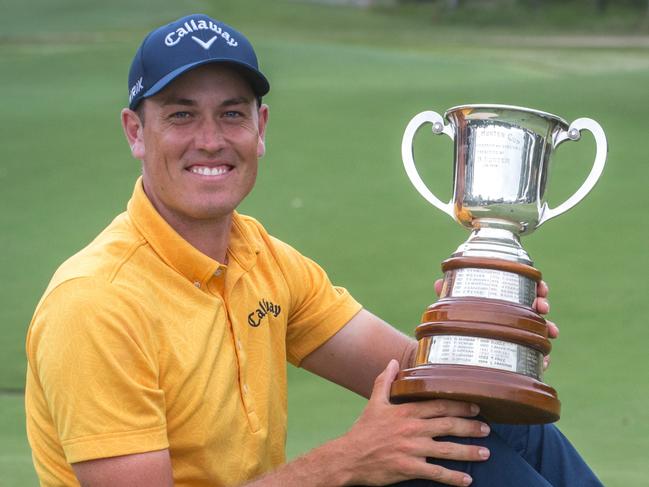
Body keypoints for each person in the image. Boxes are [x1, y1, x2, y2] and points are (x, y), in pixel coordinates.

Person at [25, 14, 603, 487]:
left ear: (261, 127)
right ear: (135, 131)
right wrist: (346, 460)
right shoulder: (94, 303)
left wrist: (488, 335)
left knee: (480, 424)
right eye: (181, 115)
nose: (211, 139)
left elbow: (414, 375)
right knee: (446, 454)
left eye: (232, 113)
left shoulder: (261, 259)